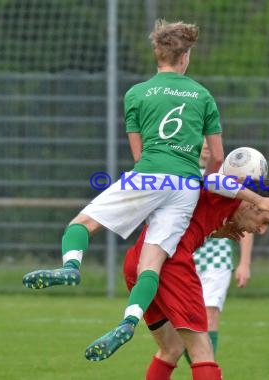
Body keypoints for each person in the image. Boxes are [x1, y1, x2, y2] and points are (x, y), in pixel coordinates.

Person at [23, 19, 225, 334]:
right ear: (184, 57)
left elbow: (138, 155)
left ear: (157, 55)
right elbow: (218, 157)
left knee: (81, 225)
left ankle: (71, 266)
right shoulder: (202, 95)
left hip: (149, 175)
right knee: (152, 263)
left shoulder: (136, 94)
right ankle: (129, 319)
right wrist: (202, 188)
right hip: (187, 185)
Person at [105, 180, 269, 380]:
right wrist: (259, 198)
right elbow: (213, 179)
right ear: (253, 205)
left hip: (138, 261)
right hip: (170, 265)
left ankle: (129, 321)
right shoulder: (227, 195)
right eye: (265, 221)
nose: (262, 230)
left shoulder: (223, 211)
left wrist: (215, 231)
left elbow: (196, 217)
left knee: (172, 349)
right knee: (202, 350)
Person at [186, 142, 255, 362]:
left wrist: (244, 263)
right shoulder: (180, 175)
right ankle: (204, 370)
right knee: (182, 327)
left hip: (217, 259)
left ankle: (210, 370)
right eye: (202, 139)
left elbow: (246, 221)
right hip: (184, 256)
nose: (207, 145)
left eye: (211, 139)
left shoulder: (227, 180)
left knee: (209, 316)